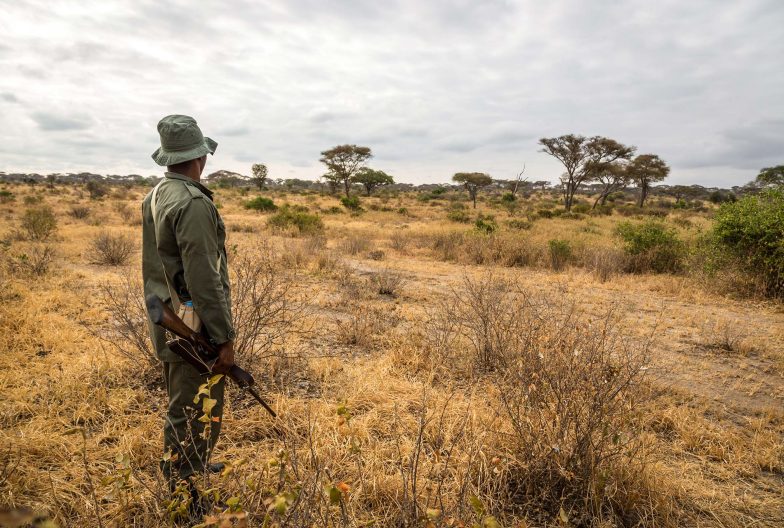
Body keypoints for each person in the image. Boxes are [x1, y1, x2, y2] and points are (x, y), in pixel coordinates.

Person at [141, 114, 234, 517]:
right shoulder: (193, 202)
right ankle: (185, 495)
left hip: (168, 316)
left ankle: (191, 466)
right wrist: (224, 336)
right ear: (201, 156)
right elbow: (203, 281)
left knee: (189, 396)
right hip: (193, 323)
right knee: (192, 405)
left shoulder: (158, 193)